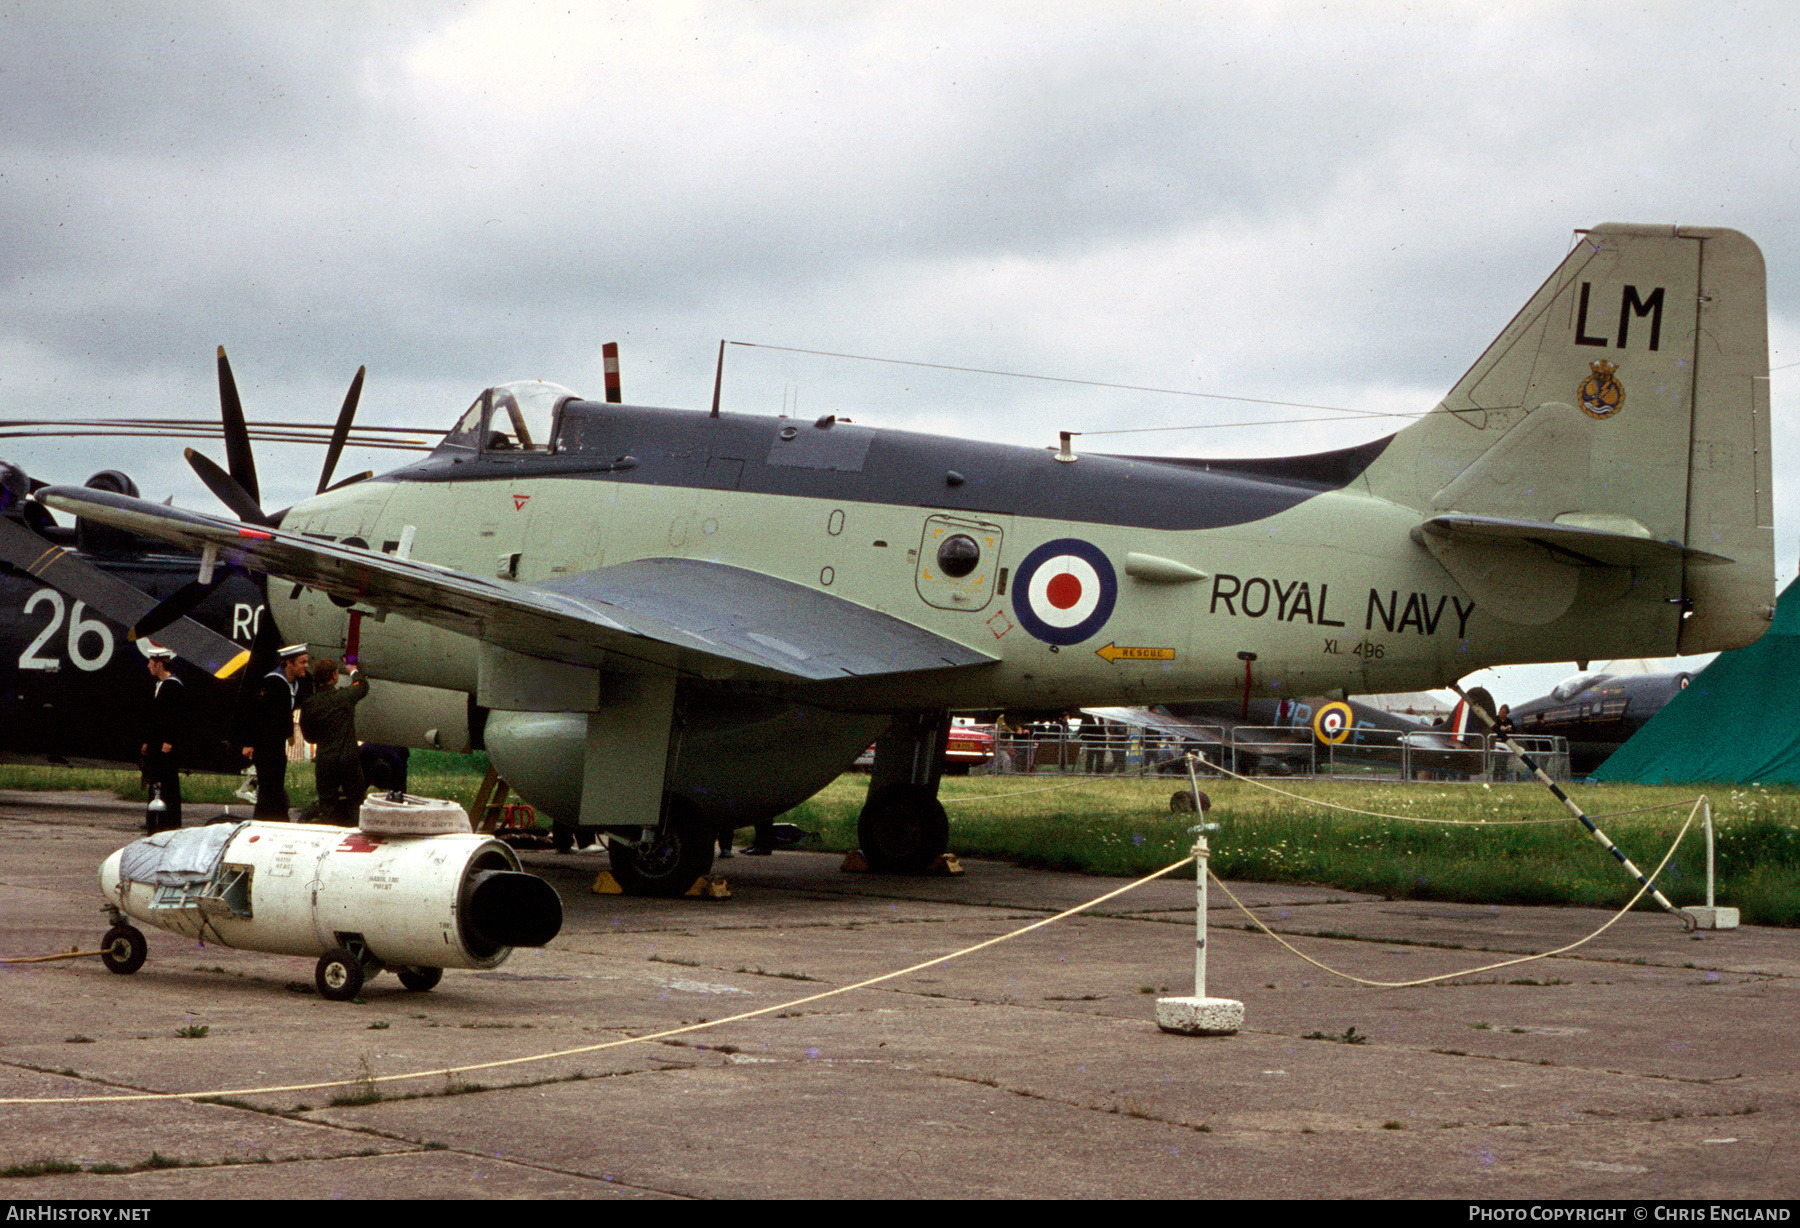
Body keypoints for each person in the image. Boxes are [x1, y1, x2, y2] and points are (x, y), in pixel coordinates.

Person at [299, 656, 371, 825]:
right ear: (334, 676)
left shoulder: (310, 704)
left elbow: (309, 737)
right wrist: (353, 669)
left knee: (327, 806)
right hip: (348, 759)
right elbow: (362, 686)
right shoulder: (345, 697)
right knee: (356, 802)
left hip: (325, 760)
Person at [242, 644, 309, 820]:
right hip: (265, 744)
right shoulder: (272, 682)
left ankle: (277, 819)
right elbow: (255, 713)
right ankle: (264, 822)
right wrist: (249, 742)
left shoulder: (294, 683)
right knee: (268, 789)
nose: (306, 666)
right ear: (289, 663)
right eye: (302, 662)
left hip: (278, 743)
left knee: (275, 788)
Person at [140, 647, 183, 834]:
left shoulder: (173, 686)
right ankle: (155, 821)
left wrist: (169, 741)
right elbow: (155, 718)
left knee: (167, 784)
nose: (148, 666)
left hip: (166, 746)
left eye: (151, 663)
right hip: (157, 744)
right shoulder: (160, 685)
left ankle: (168, 823)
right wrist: (148, 741)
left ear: (159, 664)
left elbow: (175, 717)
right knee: (156, 781)